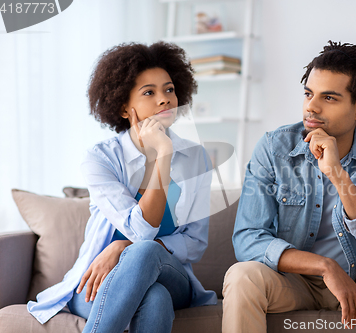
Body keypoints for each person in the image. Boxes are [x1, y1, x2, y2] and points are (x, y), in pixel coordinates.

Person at [223, 41, 356, 333]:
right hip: (295, 283)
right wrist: (325, 267)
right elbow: (248, 238)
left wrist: (338, 175)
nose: (311, 107)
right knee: (242, 275)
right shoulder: (274, 148)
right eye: (308, 94)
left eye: (329, 98)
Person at [27, 41, 217, 333]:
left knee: (144, 253)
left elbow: (195, 241)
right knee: (154, 299)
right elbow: (141, 229)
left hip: (170, 274)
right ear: (125, 108)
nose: (164, 99)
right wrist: (161, 157)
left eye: (169, 89)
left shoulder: (196, 157)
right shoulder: (101, 158)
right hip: (100, 279)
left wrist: (122, 247)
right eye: (149, 93)